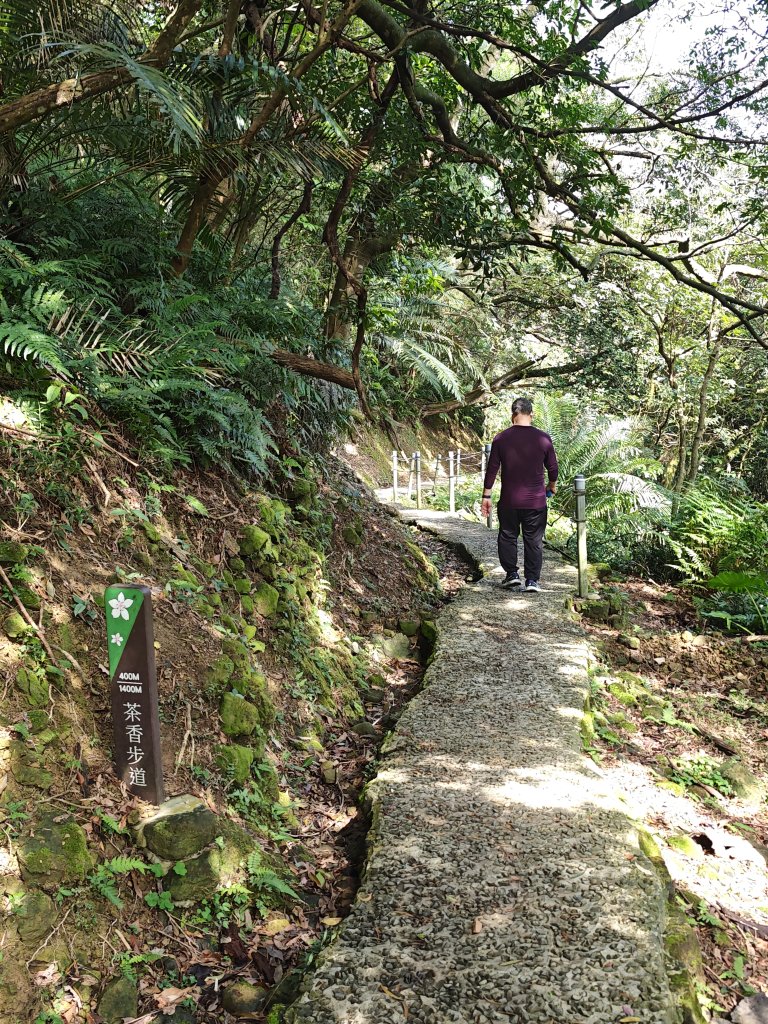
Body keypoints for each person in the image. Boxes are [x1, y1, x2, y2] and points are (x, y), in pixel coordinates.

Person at [481, 397, 559, 592]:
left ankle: (512, 575)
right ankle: (532, 581)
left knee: (508, 536)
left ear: (512, 415)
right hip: (536, 502)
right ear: (531, 414)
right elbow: (553, 468)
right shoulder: (543, 438)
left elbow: (492, 468)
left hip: (509, 501)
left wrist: (487, 496)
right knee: (533, 540)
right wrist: (552, 485)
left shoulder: (501, 438)